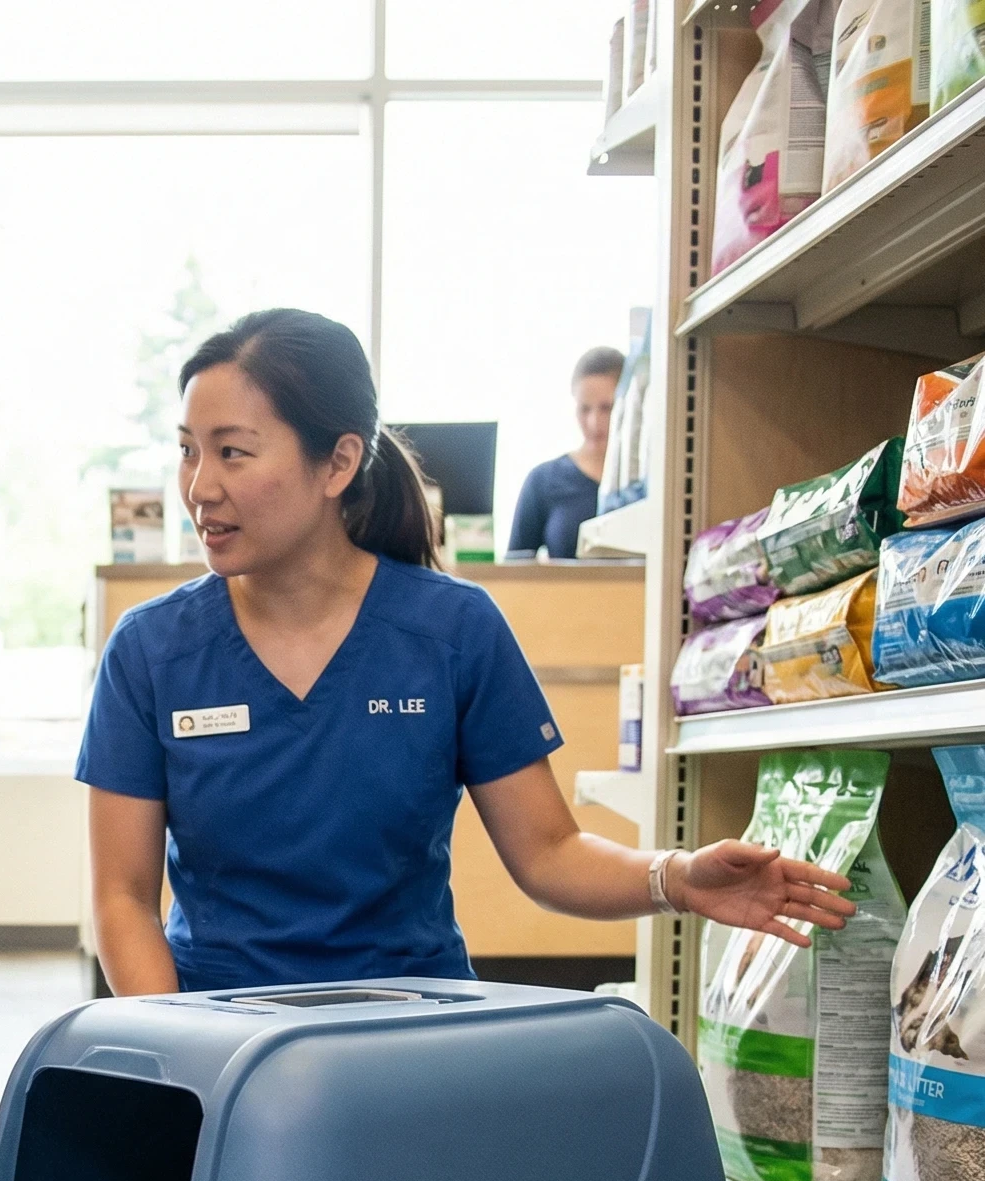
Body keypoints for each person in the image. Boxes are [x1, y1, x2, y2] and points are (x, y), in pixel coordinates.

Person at [80, 308, 853, 998]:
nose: (199, 487)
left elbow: (548, 853)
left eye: (233, 454)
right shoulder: (152, 652)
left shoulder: (452, 632)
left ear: (338, 463)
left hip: (410, 1035)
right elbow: (122, 897)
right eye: (188, 452)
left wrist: (676, 879)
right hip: (220, 1035)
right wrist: (182, 1057)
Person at [506, 344, 625, 560]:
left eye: (607, 408)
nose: (594, 422)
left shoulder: (651, 482)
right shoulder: (543, 481)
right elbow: (516, 576)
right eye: (584, 409)